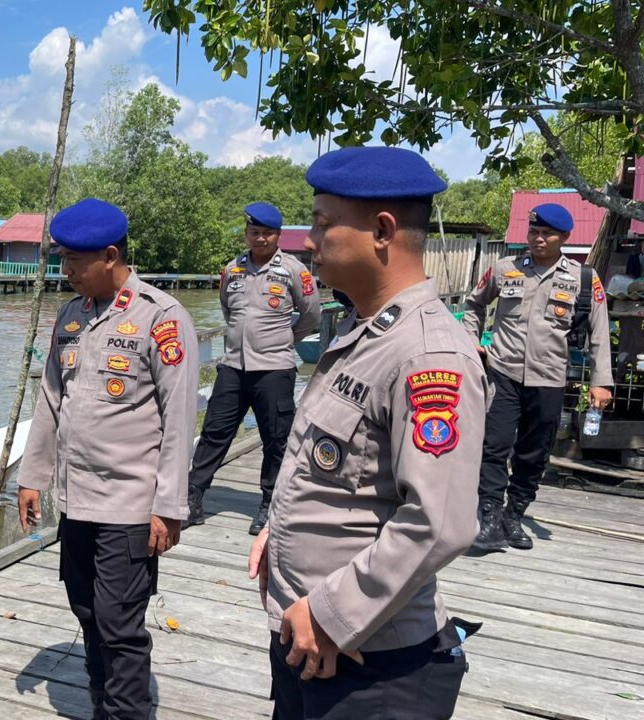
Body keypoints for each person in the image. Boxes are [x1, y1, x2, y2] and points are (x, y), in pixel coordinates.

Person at [248, 146, 486, 720]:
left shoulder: (429, 355)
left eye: (325, 224)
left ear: (382, 231)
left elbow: (438, 523)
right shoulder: (362, 332)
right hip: (310, 638)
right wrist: (278, 533)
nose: (307, 241)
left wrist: (331, 614)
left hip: (371, 666)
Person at [17, 198, 198, 720]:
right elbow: (51, 400)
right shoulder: (71, 317)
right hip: (77, 501)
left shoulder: (161, 318)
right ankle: (103, 701)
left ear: (111, 255)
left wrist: (169, 506)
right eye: (62, 260)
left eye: (75, 261)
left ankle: (126, 712)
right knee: (86, 609)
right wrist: (33, 478)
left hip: (129, 504)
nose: (66, 271)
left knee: (120, 623)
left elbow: (179, 419)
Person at [463, 204, 613, 552]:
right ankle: (488, 516)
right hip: (503, 372)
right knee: (494, 446)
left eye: (547, 234)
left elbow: (599, 331)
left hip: (549, 378)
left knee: (533, 454)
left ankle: (513, 516)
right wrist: (472, 341)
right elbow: (473, 305)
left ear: (564, 238)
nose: (539, 239)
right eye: (533, 232)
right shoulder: (505, 269)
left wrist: (601, 380)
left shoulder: (583, 279)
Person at [186, 202, 321, 533]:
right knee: (215, 433)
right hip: (233, 366)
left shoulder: (293, 271)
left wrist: (283, 340)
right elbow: (227, 310)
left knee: (275, 438)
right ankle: (192, 498)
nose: (260, 239)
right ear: (246, 233)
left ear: (278, 236)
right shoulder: (232, 270)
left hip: (274, 368)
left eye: (267, 233)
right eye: (255, 232)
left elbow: (312, 315)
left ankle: (268, 503)